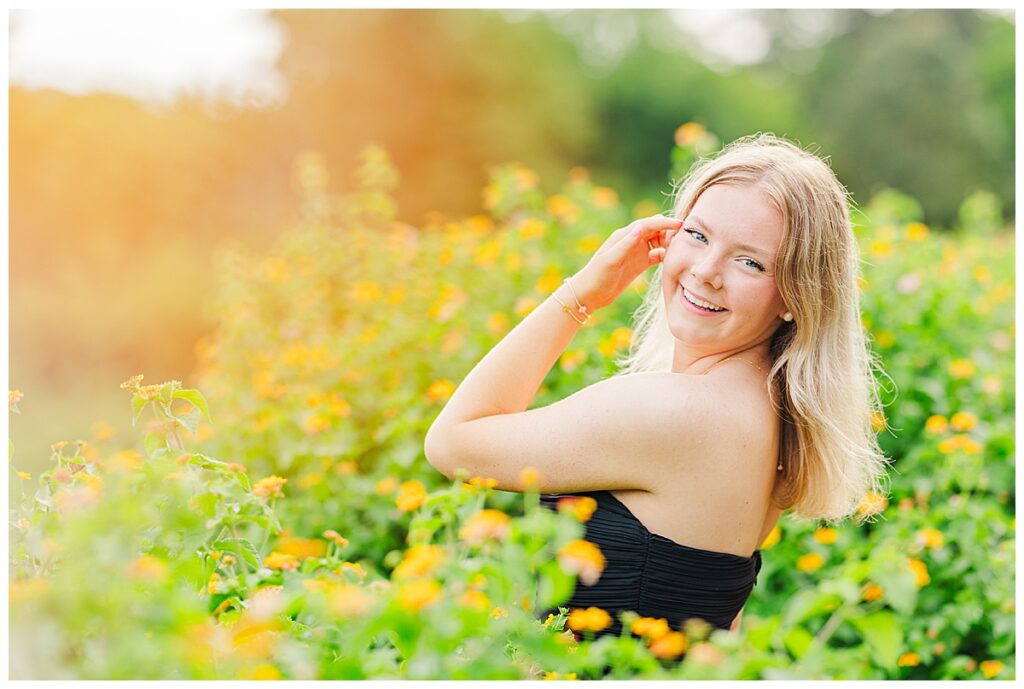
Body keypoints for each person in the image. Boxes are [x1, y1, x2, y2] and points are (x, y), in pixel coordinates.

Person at [424, 132, 891, 645]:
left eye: (750, 262)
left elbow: (452, 442)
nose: (707, 271)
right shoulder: (768, 415)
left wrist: (580, 295)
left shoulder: (677, 412)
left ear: (795, 295)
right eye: (697, 235)